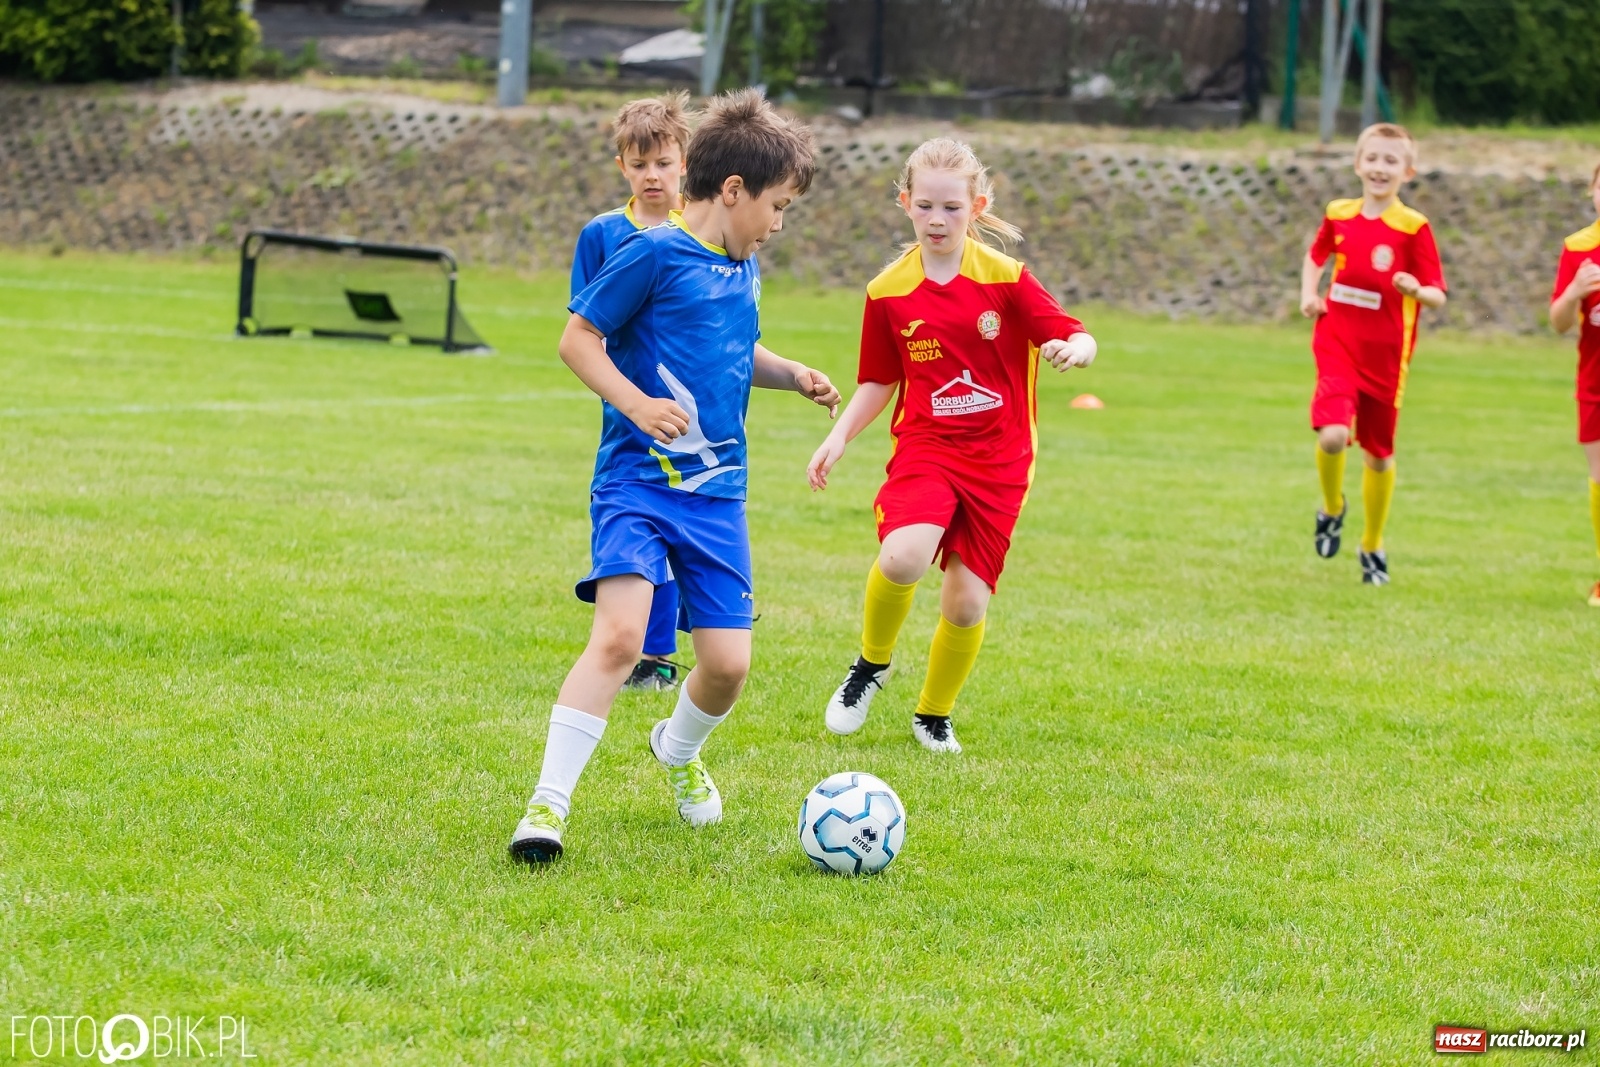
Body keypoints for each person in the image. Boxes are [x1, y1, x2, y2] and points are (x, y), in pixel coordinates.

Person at [510, 89, 838, 863]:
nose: (779, 224)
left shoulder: (743, 268)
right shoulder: (651, 253)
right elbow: (577, 339)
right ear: (732, 192)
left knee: (727, 666)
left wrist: (791, 374)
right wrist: (634, 401)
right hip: (637, 482)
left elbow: (732, 353)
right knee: (621, 635)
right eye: (778, 207)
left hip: (718, 497)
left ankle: (678, 749)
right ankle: (545, 808)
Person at [806, 138, 1097, 755]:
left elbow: (1072, 331)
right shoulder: (887, 291)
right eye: (926, 207)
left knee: (965, 605)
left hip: (1001, 461)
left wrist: (1078, 349)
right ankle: (871, 665)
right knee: (904, 556)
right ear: (906, 204)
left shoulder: (1006, 279)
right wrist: (837, 437)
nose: (938, 221)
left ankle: (933, 714)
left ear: (977, 207)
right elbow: (880, 379)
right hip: (927, 448)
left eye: (952, 209)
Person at [571, 92, 694, 690]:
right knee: (634, 521)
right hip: (629, 409)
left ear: (684, 165)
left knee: (677, 525)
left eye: (663, 163)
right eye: (639, 163)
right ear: (622, 165)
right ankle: (632, 646)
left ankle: (659, 653)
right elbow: (588, 322)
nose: (652, 175)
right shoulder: (601, 236)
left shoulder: (700, 235)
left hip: (692, 409)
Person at [1300, 122, 1448, 585]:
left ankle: (1372, 543)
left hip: (1387, 358)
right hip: (1337, 342)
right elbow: (1315, 255)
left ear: (1408, 171)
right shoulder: (1339, 214)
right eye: (1373, 158)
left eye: (1391, 161)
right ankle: (1331, 508)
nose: (1380, 168)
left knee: (1379, 455)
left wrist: (1416, 289)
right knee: (1332, 435)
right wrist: (1309, 293)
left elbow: (1438, 294)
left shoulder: (1413, 227)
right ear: (1357, 163)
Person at [1547, 161, 1600, 606]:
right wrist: (1573, 293)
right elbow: (1560, 323)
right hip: (1595, 385)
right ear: (1593, 191)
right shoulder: (1578, 249)